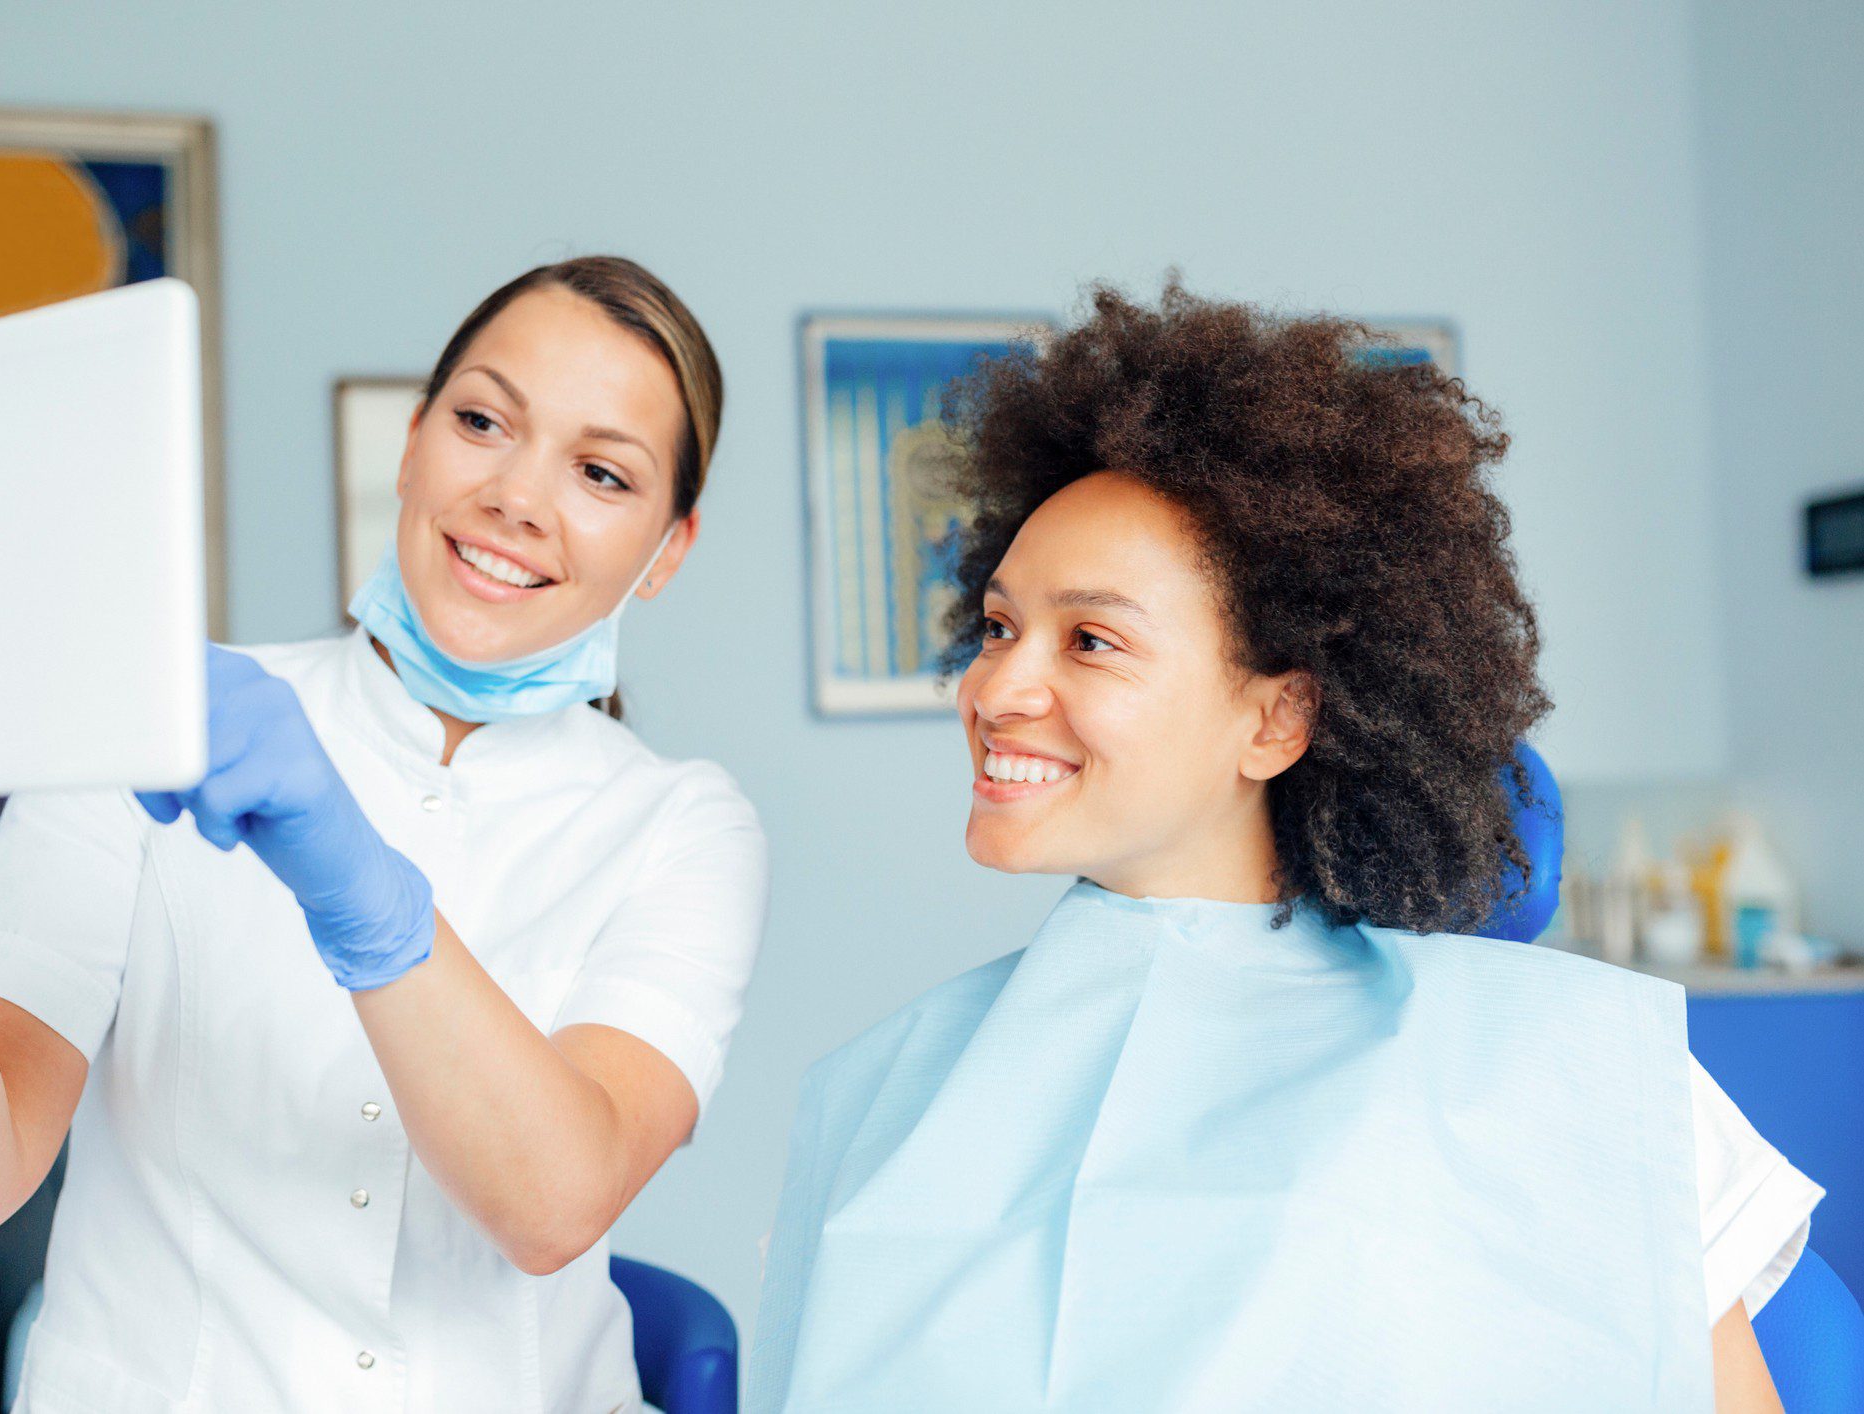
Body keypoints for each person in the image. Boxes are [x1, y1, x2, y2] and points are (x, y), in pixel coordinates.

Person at [747, 282, 1817, 1412]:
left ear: (1276, 718)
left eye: (1093, 639)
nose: (996, 687)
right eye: (1002, 626)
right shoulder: (885, 1098)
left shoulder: (1574, 1073)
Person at [0, 256, 768, 1413]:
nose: (518, 497)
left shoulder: (683, 825)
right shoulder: (150, 724)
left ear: (668, 549)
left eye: (599, 472)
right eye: (483, 421)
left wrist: (362, 894)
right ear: (414, 441)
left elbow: (555, 1205)